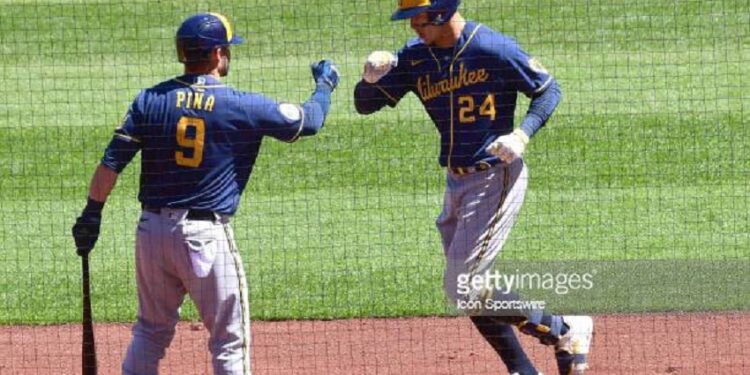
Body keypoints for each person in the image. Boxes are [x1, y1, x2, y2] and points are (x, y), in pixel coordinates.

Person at [71, 12, 339, 375]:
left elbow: (110, 164)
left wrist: (92, 214)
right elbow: (310, 120)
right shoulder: (240, 105)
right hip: (205, 239)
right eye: (227, 48)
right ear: (216, 54)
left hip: (151, 235)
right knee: (229, 341)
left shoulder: (150, 100)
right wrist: (325, 84)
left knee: (150, 332)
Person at [353, 1, 592, 374]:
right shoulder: (416, 58)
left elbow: (549, 91)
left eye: (418, 19)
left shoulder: (493, 48)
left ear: (441, 12)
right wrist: (369, 79)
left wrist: (521, 135)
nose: (412, 27)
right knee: (470, 291)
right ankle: (523, 369)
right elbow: (364, 106)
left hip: (495, 175)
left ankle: (566, 329)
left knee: (462, 286)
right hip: (456, 183)